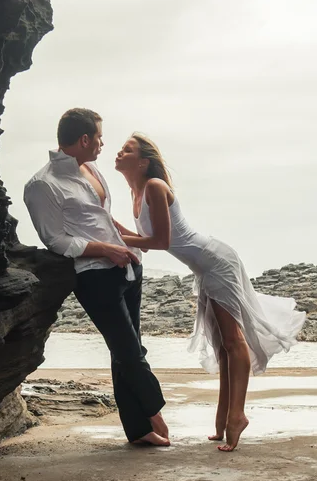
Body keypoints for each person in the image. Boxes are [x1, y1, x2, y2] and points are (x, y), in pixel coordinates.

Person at [115, 133, 306, 452]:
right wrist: (108, 229)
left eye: (127, 149)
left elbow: (161, 242)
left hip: (217, 261)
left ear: (143, 161)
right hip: (204, 268)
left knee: (233, 341)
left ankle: (237, 416)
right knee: (222, 347)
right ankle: (222, 421)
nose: (119, 152)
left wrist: (121, 240)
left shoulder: (154, 187)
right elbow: (144, 239)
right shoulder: (136, 193)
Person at [24, 109, 169, 446]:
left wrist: (124, 247)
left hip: (128, 267)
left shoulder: (92, 169)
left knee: (126, 353)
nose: (104, 144)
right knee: (129, 351)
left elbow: (102, 218)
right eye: (100, 137)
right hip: (93, 277)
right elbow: (56, 240)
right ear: (84, 139)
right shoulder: (42, 185)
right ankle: (154, 410)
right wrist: (105, 249)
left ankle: (138, 431)